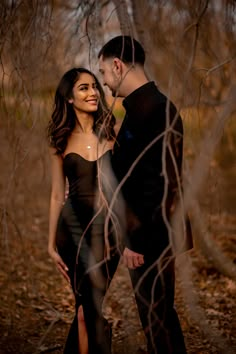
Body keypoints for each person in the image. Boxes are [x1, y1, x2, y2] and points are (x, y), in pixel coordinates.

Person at [98, 36, 193, 354]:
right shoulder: (140, 110)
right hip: (149, 234)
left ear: (117, 65)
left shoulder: (156, 111)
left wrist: (134, 240)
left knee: (158, 320)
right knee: (158, 318)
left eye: (104, 74)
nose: (105, 84)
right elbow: (131, 172)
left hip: (151, 237)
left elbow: (159, 185)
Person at [47, 67, 120, 354]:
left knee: (89, 308)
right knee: (85, 309)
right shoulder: (59, 140)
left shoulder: (113, 129)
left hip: (109, 234)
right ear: (68, 97)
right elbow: (56, 194)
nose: (92, 93)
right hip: (73, 234)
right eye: (83, 88)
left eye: (94, 86)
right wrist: (50, 245)